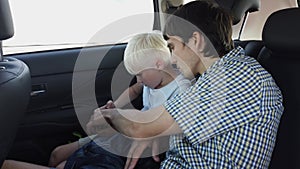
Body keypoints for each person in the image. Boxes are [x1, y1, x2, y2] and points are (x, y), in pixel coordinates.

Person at [92, 1, 284, 169]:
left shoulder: (238, 76)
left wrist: (109, 114)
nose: (172, 59)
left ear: (195, 40)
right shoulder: (212, 77)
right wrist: (157, 135)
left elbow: (139, 127)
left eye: (172, 47)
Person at [1, 31, 191, 169]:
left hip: (133, 138)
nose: (139, 80)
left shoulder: (182, 90)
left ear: (158, 64)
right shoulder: (151, 80)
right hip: (121, 133)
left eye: (140, 74)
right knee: (56, 153)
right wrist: (115, 106)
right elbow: (134, 90)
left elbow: (170, 128)